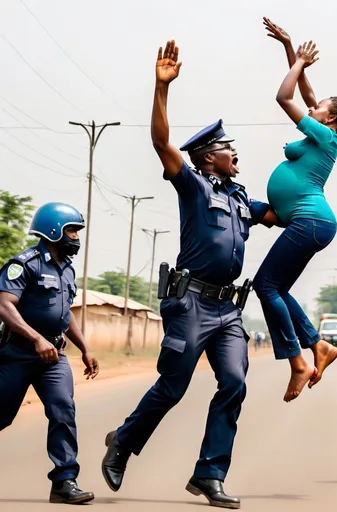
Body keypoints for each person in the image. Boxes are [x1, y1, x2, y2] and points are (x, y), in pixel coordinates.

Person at [101, 40, 277, 510]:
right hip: (191, 304)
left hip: (227, 309)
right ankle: (123, 442)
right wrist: (161, 89)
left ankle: (209, 474)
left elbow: (282, 213)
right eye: (228, 149)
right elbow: (161, 142)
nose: (236, 155)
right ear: (206, 157)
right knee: (173, 387)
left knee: (235, 382)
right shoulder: (193, 186)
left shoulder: (242, 200)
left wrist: (316, 157)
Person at [253, 18, 337, 402]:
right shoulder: (323, 131)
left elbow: (285, 97)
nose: (314, 107)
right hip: (306, 221)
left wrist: (297, 63)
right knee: (275, 287)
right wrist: (289, 47)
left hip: (311, 220)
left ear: (329, 119)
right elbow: (306, 91)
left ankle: (298, 359)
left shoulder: (325, 135)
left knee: (265, 286)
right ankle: (319, 346)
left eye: (321, 107)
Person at [0, 202, 99, 504]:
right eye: (72, 231)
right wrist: (35, 338)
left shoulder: (67, 270)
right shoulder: (24, 264)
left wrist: (85, 348)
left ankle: (64, 481)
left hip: (54, 358)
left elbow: (66, 314)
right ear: (53, 230)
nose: (76, 237)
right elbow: (4, 305)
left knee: (62, 410)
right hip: (17, 353)